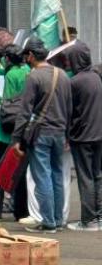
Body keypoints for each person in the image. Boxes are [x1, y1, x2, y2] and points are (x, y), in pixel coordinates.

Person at [12, 37, 72, 234]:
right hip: (60, 132)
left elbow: (24, 110)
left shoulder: (34, 77)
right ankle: (57, 220)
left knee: (42, 176)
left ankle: (48, 222)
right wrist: (67, 134)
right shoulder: (62, 74)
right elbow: (70, 108)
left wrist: (17, 139)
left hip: (40, 134)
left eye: (26, 55)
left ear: (30, 55)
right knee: (57, 175)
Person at [0, 45, 30, 221]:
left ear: (8, 59)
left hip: (5, 131)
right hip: (24, 129)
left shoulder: (11, 74)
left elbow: (9, 105)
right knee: (19, 172)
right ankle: (22, 212)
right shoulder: (27, 70)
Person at [65, 41, 102, 231]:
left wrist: (68, 133)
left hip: (83, 136)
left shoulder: (75, 82)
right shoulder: (96, 77)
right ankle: (99, 216)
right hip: (99, 133)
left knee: (85, 177)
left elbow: (70, 111)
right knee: (97, 175)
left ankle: (89, 220)